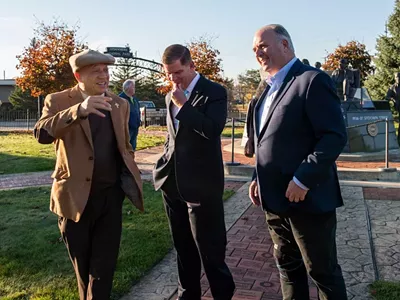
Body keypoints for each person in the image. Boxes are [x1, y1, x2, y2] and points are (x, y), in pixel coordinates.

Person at [34, 49, 144, 300]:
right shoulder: (59, 100)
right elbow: (41, 133)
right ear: (78, 75)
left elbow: (124, 145)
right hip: (74, 200)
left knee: (103, 270)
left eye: (106, 71)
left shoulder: (120, 104)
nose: (104, 76)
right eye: (97, 72)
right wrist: (78, 110)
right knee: (83, 270)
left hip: (110, 198)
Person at [250, 24, 348, 299]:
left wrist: (303, 178)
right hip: (273, 201)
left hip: (308, 201)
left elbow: (333, 136)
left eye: (263, 45)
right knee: (287, 268)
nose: (258, 53)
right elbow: (265, 140)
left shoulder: (312, 80)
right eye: (255, 49)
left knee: (322, 273)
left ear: (285, 44)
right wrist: (256, 177)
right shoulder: (265, 89)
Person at [153, 44, 235, 300]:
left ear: (192, 65)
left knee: (210, 250)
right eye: (169, 74)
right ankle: (187, 295)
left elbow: (212, 130)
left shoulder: (214, 92)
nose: (173, 79)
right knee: (183, 248)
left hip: (202, 184)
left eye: (178, 72)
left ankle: (223, 293)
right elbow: (173, 137)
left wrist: (185, 107)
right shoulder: (170, 96)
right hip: (172, 183)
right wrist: (163, 161)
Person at [119, 79, 141, 150]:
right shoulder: (120, 99)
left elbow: (137, 111)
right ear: (128, 88)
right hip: (126, 128)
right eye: (133, 87)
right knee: (125, 147)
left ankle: (131, 160)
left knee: (133, 146)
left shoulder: (134, 99)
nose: (134, 89)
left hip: (135, 127)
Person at [386, 72, 400, 142]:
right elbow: (387, 97)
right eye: (397, 77)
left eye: (399, 77)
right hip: (398, 107)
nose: (398, 78)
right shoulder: (392, 87)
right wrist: (393, 99)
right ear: (395, 78)